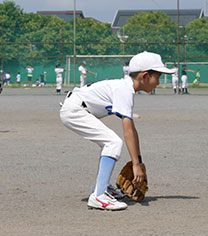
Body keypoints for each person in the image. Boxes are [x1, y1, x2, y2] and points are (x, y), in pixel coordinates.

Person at [60, 51, 175, 210]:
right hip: (74, 110)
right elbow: (127, 131)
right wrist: (135, 165)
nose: (158, 82)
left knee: (109, 143)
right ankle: (99, 195)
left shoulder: (125, 87)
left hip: (77, 108)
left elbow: (132, 130)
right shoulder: (124, 90)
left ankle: (103, 187)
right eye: (158, 77)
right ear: (145, 76)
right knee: (113, 142)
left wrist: (139, 162)